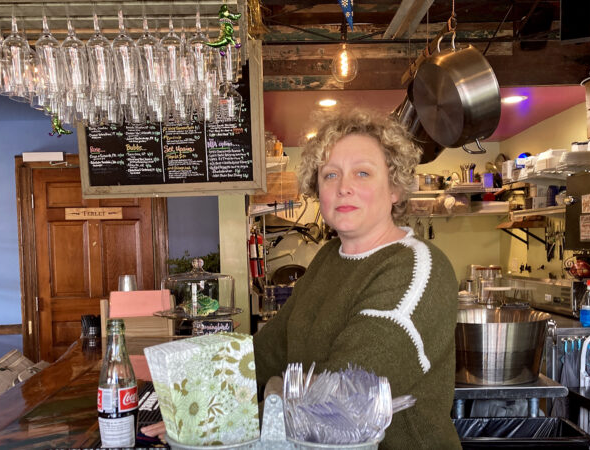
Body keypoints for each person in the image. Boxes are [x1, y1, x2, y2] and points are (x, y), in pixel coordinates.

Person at [143, 109, 460, 448]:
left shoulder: (418, 268)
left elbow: (344, 397)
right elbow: (270, 350)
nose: (344, 188)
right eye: (330, 175)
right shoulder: (328, 257)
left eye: (363, 173)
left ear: (395, 188)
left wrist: (220, 420)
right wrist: (199, 403)